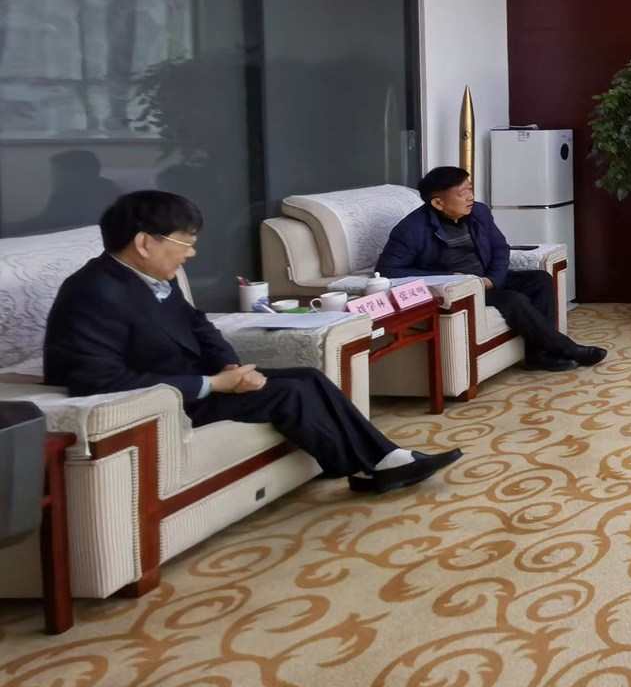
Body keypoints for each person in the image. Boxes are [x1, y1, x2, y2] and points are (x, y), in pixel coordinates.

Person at [42, 191, 460, 493]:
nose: (190, 254)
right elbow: (96, 380)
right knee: (290, 393)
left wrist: (227, 366)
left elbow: (199, 326)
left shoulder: (148, 276)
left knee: (308, 377)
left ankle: (385, 458)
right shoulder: (92, 292)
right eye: (184, 243)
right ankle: (373, 467)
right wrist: (212, 384)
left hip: (194, 380)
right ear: (144, 242)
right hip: (159, 401)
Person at [377, 166, 606, 372]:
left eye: (470, 188)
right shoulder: (411, 229)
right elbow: (388, 270)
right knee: (513, 299)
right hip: (462, 292)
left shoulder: (479, 212)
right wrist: (447, 278)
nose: (470, 196)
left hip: (486, 279)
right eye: (462, 193)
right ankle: (569, 350)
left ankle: (539, 356)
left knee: (540, 280)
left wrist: (493, 279)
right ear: (438, 203)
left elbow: (499, 247)